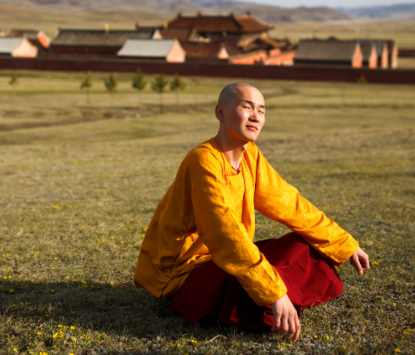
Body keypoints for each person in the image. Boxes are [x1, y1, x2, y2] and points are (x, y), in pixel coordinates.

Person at [134, 82, 370, 341]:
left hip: (226, 257)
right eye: (247, 107)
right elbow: (224, 233)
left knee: (305, 245)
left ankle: (272, 300)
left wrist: (345, 243)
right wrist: (274, 292)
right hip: (188, 271)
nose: (256, 116)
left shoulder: (251, 157)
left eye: (262, 110)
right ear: (220, 113)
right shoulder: (203, 159)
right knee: (242, 282)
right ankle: (276, 301)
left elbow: (290, 204)